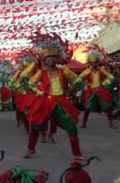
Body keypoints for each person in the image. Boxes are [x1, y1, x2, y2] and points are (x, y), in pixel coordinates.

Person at [23, 32, 84, 160]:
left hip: (61, 101)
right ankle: (30, 149)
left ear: (57, 59)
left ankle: (77, 153)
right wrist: (39, 92)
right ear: (44, 59)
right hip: (45, 101)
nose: (51, 60)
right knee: (34, 124)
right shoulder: (41, 72)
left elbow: (79, 81)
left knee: (71, 127)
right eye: (48, 58)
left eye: (53, 57)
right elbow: (29, 84)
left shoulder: (64, 71)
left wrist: (70, 91)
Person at [79, 45, 116, 129]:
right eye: (92, 63)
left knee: (107, 106)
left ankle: (110, 123)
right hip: (91, 90)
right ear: (89, 63)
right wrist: (86, 83)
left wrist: (104, 82)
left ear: (98, 62)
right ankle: (84, 123)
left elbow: (111, 77)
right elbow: (79, 78)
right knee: (87, 107)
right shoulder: (87, 71)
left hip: (101, 90)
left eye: (95, 62)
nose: (94, 64)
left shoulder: (101, 70)